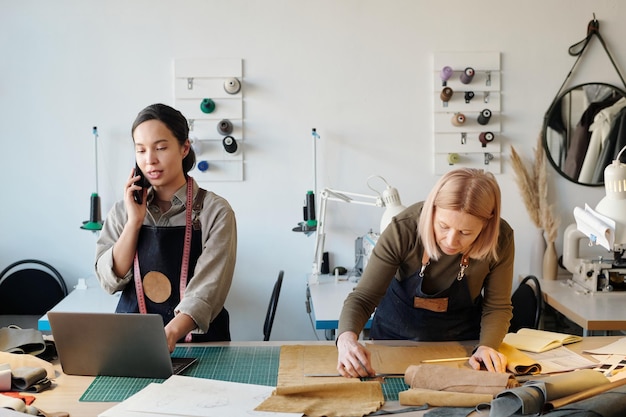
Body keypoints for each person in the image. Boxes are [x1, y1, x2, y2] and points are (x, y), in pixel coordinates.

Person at [336, 168, 514, 376]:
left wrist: (488, 346)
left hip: (462, 348)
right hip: (394, 341)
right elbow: (364, 297)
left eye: (466, 233)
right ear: (432, 209)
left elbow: (497, 306)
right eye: (443, 226)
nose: (451, 241)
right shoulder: (403, 229)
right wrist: (346, 340)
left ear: (487, 225)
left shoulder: (501, 239)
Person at [95, 103, 237, 352]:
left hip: (202, 347)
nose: (149, 160)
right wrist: (134, 222)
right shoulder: (123, 210)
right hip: (133, 343)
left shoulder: (216, 211)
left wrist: (169, 334)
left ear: (184, 148)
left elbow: (208, 290)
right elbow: (109, 281)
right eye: (140, 150)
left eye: (160, 148)